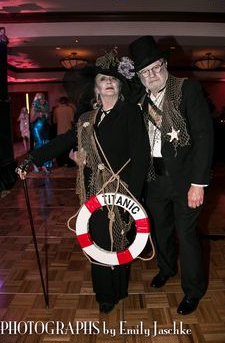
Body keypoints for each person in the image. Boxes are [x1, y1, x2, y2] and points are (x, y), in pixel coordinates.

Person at [16, 49, 150, 314]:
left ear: (119, 86)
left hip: (122, 188)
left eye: (113, 79)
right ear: (97, 88)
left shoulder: (131, 114)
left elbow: (141, 156)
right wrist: (31, 158)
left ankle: (120, 288)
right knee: (99, 238)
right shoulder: (86, 118)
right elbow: (63, 142)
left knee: (120, 239)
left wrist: (132, 196)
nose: (108, 82)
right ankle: (105, 294)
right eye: (103, 79)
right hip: (93, 189)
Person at [129, 35, 214, 315]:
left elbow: (204, 136)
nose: (151, 75)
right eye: (145, 71)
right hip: (154, 180)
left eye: (155, 67)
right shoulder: (139, 100)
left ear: (164, 64)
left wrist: (199, 183)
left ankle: (193, 290)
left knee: (186, 235)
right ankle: (166, 269)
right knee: (161, 229)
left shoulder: (186, 89)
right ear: (139, 76)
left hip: (186, 181)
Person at [30, 93, 53, 173]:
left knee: (46, 145)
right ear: (37, 100)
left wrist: (48, 116)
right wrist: (38, 115)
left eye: (43, 98)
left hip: (45, 129)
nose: (42, 100)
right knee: (39, 146)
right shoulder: (34, 107)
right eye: (40, 99)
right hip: (37, 129)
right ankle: (36, 164)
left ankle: (45, 165)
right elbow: (31, 120)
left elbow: (48, 120)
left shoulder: (46, 107)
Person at [53, 96, 76, 167]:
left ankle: (61, 163)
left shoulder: (56, 110)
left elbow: (54, 121)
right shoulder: (70, 109)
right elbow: (72, 120)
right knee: (69, 148)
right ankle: (70, 163)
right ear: (67, 102)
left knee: (60, 149)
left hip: (59, 131)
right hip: (68, 131)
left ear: (60, 102)